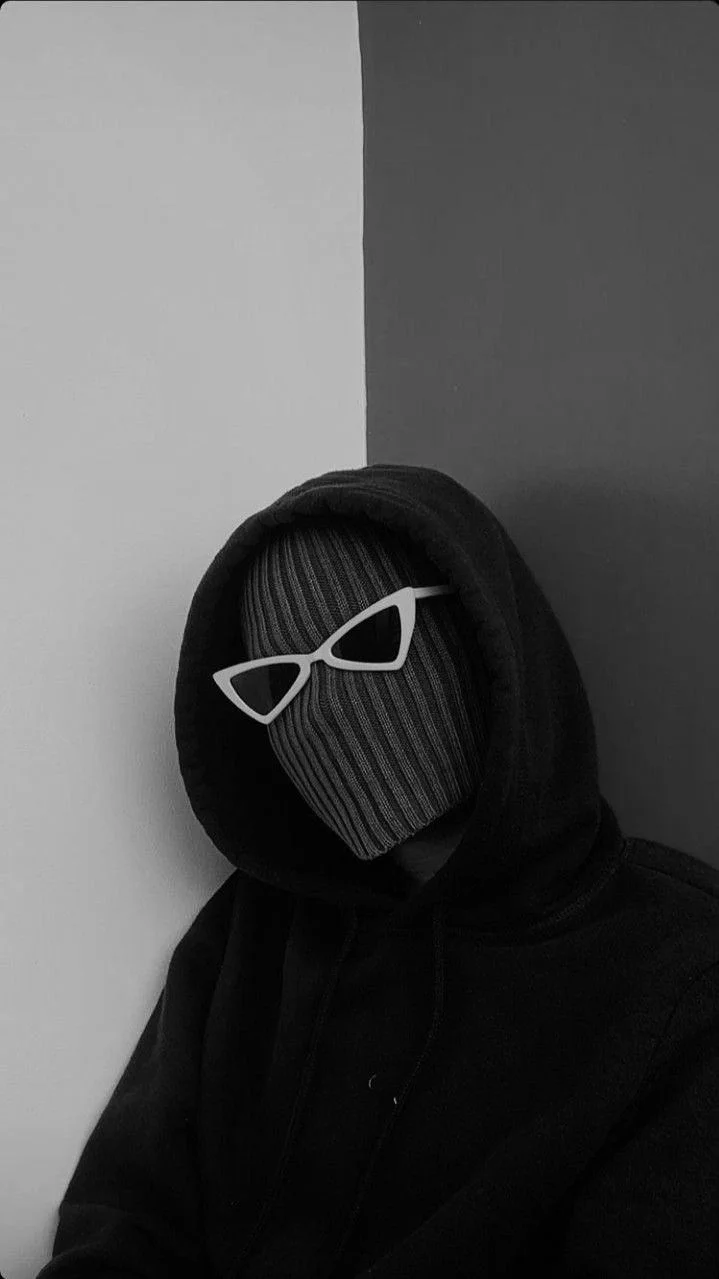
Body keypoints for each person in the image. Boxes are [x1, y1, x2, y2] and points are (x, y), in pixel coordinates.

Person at [37, 463, 719, 1277]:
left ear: (483, 635)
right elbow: (124, 1216)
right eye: (277, 681)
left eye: (367, 642)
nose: (319, 711)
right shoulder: (256, 931)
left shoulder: (678, 974)